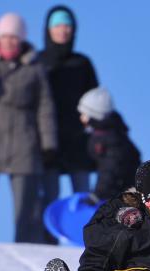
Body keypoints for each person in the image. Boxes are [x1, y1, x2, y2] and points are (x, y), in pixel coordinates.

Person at [0, 12, 57, 243]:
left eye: (14, 37)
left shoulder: (34, 68)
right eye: (5, 37)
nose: (9, 42)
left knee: (26, 203)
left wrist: (49, 144)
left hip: (24, 142)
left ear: (22, 39)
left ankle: (26, 245)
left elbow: (45, 107)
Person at [38, 5, 98, 241]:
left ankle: (86, 246)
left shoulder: (82, 63)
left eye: (67, 26)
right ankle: (45, 247)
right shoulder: (39, 62)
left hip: (78, 142)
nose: (63, 31)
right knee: (49, 198)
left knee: (83, 199)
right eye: (58, 26)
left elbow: (94, 101)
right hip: (49, 142)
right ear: (49, 30)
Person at [77, 87, 141, 203]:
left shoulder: (110, 140)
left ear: (94, 115)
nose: (81, 118)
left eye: (84, 114)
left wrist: (97, 195)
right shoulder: (104, 133)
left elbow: (109, 170)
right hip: (118, 189)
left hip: (124, 191)